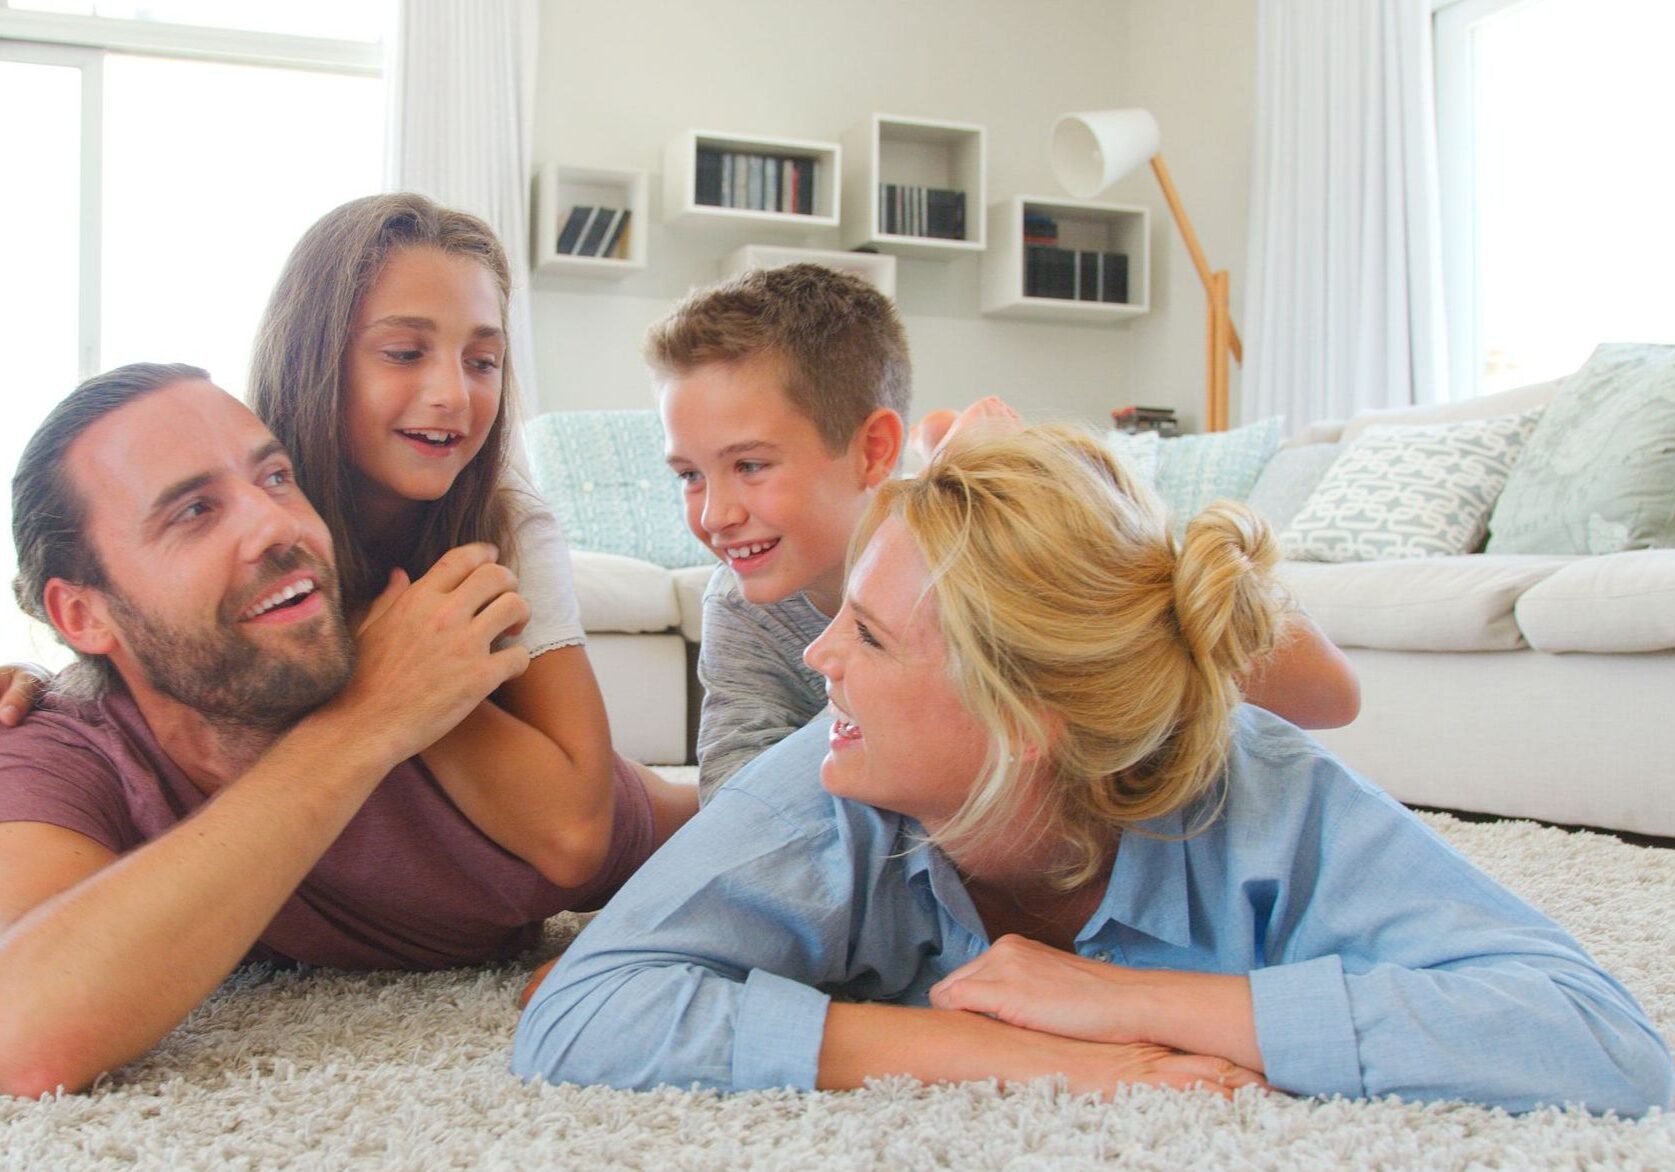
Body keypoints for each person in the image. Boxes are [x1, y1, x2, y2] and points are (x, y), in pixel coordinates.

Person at [513, 424, 1673, 1115]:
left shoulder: (1264, 789)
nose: (821, 659)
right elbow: (581, 1012)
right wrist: (1008, 1054)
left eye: (867, 636)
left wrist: (1137, 1000)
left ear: (1024, 720)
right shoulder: (827, 781)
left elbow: (1601, 1039)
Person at [0, 366, 551, 1096]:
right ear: (81, 615)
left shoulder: (454, 740)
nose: (277, 523)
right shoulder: (62, 745)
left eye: (277, 477)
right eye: (194, 510)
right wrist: (364, 726)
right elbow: (18, 1034)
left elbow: (711, 820)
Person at [650, 263, 1359, 804]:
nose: (713, 514)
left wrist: (1080, 523)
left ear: (871, 451)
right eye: (688, 475)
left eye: (748, 465)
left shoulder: (999, 554)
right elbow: (735, 806)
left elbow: (1330, 696)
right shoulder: (743, 605)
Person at [246, 192, 695, 874]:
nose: (453, 395)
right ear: (309, 357)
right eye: (403, 352)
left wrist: (396, 663)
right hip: (417, 824)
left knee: (727, 820)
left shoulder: (505, 517)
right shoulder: (242, 503)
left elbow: (577, 834)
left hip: (600, 809)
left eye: (482, 361)